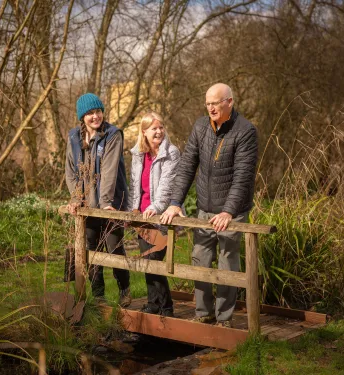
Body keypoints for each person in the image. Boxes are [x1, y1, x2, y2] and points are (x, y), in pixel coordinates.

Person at [160, 83, 258, 327]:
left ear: (230, 102)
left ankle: (224, 318)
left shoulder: (245, 131)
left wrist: (229, 211)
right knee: (200, 258)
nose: (211, 108)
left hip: (232, 213)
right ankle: (204, 313)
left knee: (227, 264)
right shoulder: (201, 126)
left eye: (215, 103)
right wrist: (174, 203)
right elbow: (187, 167)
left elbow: (242, 176)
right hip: (204, 208)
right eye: (207, 103)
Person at [65, 93, 131, 307]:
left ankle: (124, 290)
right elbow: (71, 171)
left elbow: (110, 171)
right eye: (90, 113)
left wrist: (105, 203)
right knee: (91, 249)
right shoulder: (74, 137)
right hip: (86, 205)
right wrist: (76, 198)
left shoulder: (112, 135)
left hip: (111, 202)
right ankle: (99, 297)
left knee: (115, 246)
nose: (95, 116)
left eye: (98, 111)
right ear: (82, 117)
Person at [128, 112, 180, 317]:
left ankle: (166, 307)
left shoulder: (171, 153)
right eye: (153, 128)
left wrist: (155, 208)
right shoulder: (138, 154)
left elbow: (167, 186)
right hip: (143, 215)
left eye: (161, 127)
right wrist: (134, 209)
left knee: (156, 260)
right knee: (147, 260)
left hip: (160, 216)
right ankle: (153, 303)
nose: (158, 131)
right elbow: (134, 184)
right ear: (144, 132)